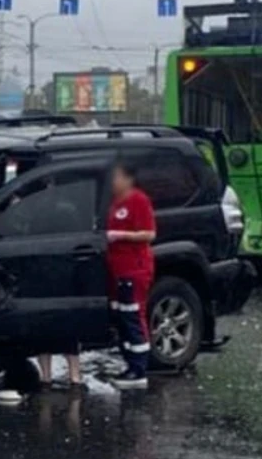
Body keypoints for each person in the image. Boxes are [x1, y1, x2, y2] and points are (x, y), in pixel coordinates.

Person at [0, 175, 82, 387]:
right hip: (60, 269)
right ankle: (73, 375)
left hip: (43, 269)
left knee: (47, 322)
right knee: (65, 323)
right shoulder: (67, 209)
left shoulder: (35, 212)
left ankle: (48, 375)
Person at [105, 161, 156, 390]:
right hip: (116, 269)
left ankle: (139, 368)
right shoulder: (114, 202)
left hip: (134, 268)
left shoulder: (138, 200)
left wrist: (121, 235)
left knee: (134, 316)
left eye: (116, 177)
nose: (113, 182)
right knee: (122, 318)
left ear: (128, 178)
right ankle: (129, 364)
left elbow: (149, 233)